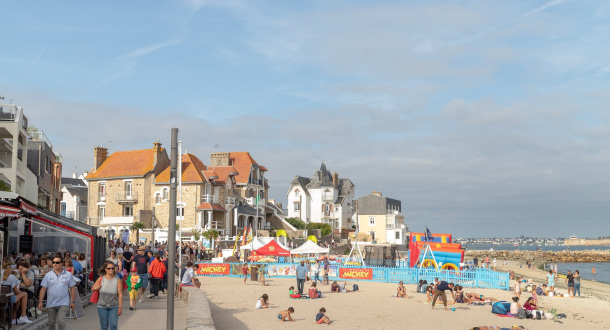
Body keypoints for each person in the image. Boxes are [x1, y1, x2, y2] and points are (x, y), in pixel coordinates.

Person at [38, 256, 77, 330]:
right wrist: (40, 302)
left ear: (61, 263)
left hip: (63, 303)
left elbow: (72, 288)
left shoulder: (68, 275)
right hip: (51, 303)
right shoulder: (48, 275)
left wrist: (73, 301)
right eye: (53, 262)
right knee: (51, 322)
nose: (55, 264)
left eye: (57, 262)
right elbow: (43, 289)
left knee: (61, 321)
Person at [92, 260, 123, 330]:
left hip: (114, 306)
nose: (111, 270)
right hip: (102, 306)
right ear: (105, 269)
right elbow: (93, 289)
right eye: (109, 268)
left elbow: (120, 294)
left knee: (114, 326)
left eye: (112, 268)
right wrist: (96, 288)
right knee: (104, 327)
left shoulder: (117, 280)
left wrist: (120, 308)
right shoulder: (101, 279)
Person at [2, 258, 32, 324]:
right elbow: (16, 291)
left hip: (1, 297)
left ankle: (12, 318)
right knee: (24, 294)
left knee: (17, 296)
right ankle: (22, 316)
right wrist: (21, 293)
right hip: (8, 298)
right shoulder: (11, 277)